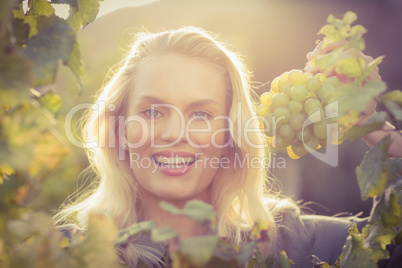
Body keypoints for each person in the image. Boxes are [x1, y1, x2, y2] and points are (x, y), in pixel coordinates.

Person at [53, 26, 398, 267]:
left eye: (201, 114)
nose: (176, 133)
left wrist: (376, 128)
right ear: (119, 128)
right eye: (153, 111)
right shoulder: (62, 254)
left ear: (231, 135)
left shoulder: (294, 245)